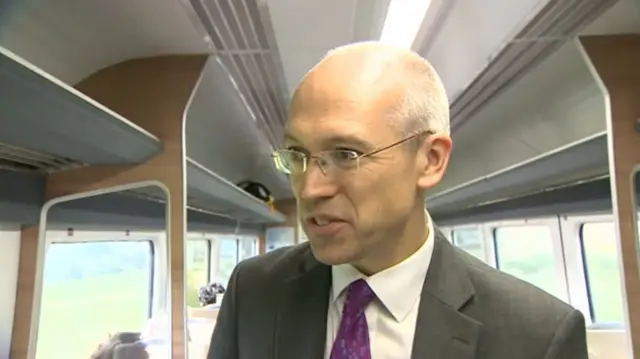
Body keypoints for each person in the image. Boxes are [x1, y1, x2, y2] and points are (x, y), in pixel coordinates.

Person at [207, 41, 588, 359]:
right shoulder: (254, 292)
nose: (309, 189)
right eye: (297, 156)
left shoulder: (538, 337)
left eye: (345, 154)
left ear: (430, 160)